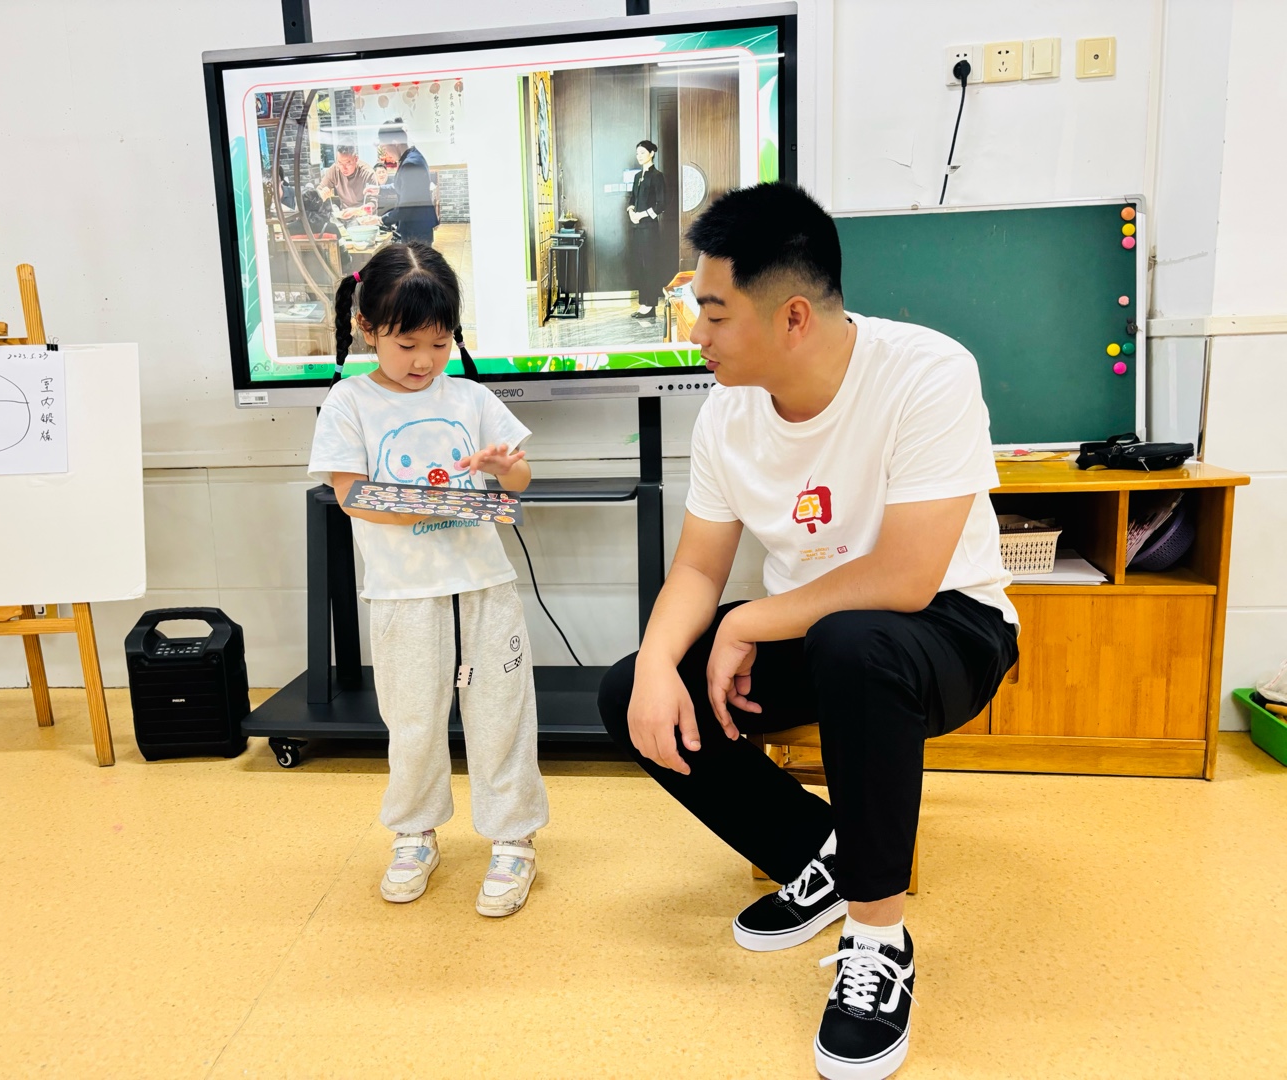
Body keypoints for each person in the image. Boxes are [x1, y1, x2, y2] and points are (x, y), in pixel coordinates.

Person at [596, 183, 1019, 1080]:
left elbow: (905, 577)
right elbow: (698, 570)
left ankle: (880, 941)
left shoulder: (927, 373)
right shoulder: (727, 414)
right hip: (811, 632)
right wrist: (659, 665)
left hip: (948, 627)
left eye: (714, 313)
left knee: (852, 641)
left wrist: (752, 619)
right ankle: (819, 853)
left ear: (792, 316)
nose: (697, 334)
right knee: (631, 687)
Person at [308, 242, 548, 918]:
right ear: (367, 328)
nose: (424, 361)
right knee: (412, 721)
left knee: (502, 715)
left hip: (484, 586)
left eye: (439, 344)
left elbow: (520, 478)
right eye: (407, 344)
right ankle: (414, 833)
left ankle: (514, 837)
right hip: (402, 595)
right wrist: (442, 502)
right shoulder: (349, 402)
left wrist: (502, 470)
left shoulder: (470, 396)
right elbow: (352, 495)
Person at [376, 121, 437, 245]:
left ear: (395, 143)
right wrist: (379, 189)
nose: (385, 153)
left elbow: (405, 208)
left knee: (416, 258)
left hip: (416, 230)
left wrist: (381, 219)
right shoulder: (413, 156)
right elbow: (403, 186)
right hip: (418, 227)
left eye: (385, 148)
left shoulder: (410, 164)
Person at [626, 139, 668, 319]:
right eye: (637, 153)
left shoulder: (657, 176)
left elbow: (661, 204)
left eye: (642, 153)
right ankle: (643, 304)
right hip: (637, 228)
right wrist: (631, 212)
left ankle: (650, 306)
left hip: (649, 229)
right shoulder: (637, 177)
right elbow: (632, 199)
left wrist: (641, 215)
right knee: (640, 266)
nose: (639, 156)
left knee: (650, 266)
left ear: (652, 153)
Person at [316, 145, 371, 214]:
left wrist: (356, 211)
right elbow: (319, 191)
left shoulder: (367, 173)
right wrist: (322, 194)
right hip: (344, 215)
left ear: (356, 159)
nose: (343, 168)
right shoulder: (334, 169)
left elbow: (373, 204)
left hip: (365, 217)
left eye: (348, 163)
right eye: (340, 163)